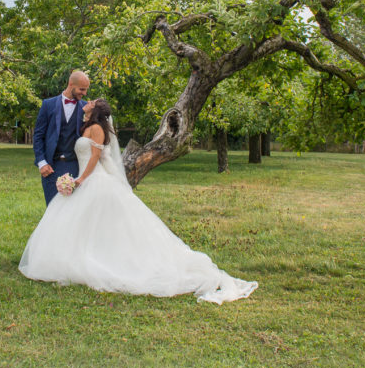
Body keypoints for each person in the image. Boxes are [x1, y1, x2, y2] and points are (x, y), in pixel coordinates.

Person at [19, 97, 258, 304]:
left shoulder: (97, 130)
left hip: (94, 180)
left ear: (96, 111)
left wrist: (79, 180)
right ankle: (80, 255)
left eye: (91, 102)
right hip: (87, 179)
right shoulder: (88, 126)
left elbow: (94, 159)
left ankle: (99, 259)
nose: (87, 102)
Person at [32, 71, 90, 205]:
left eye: (86, 90)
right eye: (82, 89)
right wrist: (42, 162)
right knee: (52, 209)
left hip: (76, 166)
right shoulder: (48, 104)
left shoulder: (86, 108)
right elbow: (38, 136)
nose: (84, 93)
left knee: (73, 210)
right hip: (51, 167)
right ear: (71, 84)